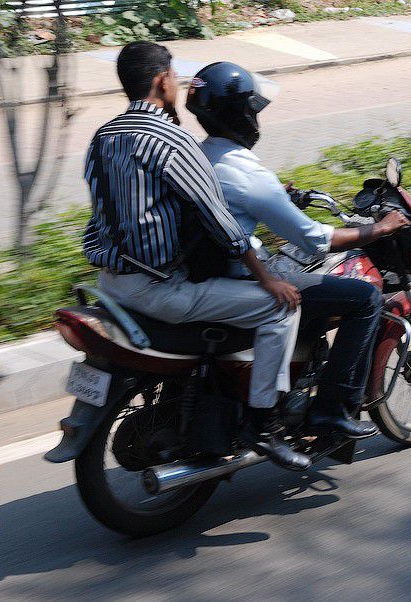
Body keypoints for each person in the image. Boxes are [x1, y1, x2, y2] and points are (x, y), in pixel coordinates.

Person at [83, 42, 311, 471]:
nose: (178, 86)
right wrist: (268, 279)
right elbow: (219, 219)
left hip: (112, 285)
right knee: (281, 308)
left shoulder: (103, 137)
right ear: (161, 81)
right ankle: (263, 423)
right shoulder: (171, 139)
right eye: (174, 77)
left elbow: (101, 213)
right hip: (160, 288)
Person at [186, 61, 411, 439]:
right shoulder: (248, 173)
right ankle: (332, 411)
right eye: (253, 111)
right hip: (242, 277)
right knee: (363, 300)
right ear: (242, 115)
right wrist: (378, 228)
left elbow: (242, 208)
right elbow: (315, 239)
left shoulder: (198, 155)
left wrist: (283, 201)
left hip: (211, 270)